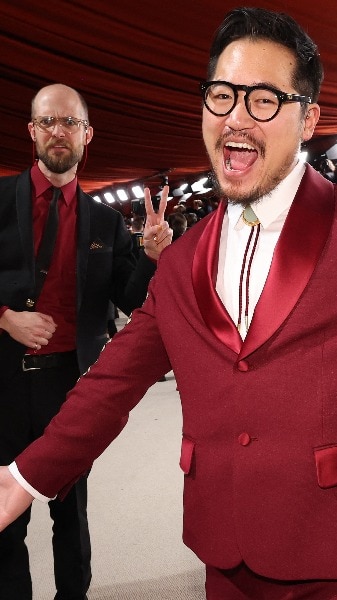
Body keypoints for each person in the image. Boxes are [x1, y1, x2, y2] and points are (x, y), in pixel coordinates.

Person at [0, 9, 337, 599]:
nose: (236, 118)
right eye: (222, 95)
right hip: (227, 557)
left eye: (263, 100)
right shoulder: (179, 265)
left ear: (309, 119)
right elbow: (111, 382)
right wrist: (23, 477)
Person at [0, 84, 171, 599]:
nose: (59, 132)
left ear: (87, 134)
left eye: (69, 123)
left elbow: (130, 296)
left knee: (70, 509)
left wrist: (151, 256)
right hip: (5, 384)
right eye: (48, 121)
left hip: (72, 388)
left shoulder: (105, 222)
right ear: (31, 130)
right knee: (6, 510)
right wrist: (5, 318)